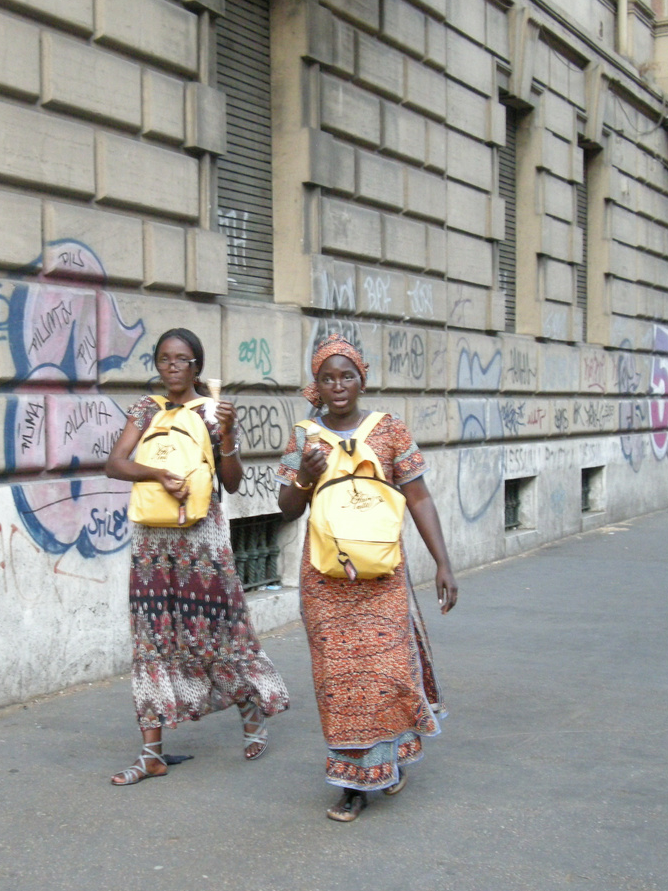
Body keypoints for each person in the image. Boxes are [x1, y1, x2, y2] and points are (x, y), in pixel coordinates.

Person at [275, 335, 458, 822]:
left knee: (387, 674)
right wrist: (304, 478)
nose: (338, 386)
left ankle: (389, 759)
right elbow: (287, 510)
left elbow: (418, 497)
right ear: (317, 384)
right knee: (339, 681)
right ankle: (352, 785)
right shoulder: (304, 438)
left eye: (347, 376)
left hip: (383, 577)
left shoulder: (390, 430)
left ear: (362, 379)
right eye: (328, 378)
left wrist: (443, 562)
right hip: (325, 580)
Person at [103, 328, 289, 784]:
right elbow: (115, 463)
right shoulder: (146, 409)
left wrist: (225, 432)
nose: (172, 366)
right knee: (151, 639)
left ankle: (250, 706)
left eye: (182, 359)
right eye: (165, 359)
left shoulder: (212, 410)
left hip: (202, 541)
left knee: (216, 633)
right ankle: (151, 753)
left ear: (196, 366)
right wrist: (157, 474)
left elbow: (232, 481)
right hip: (152, 542)